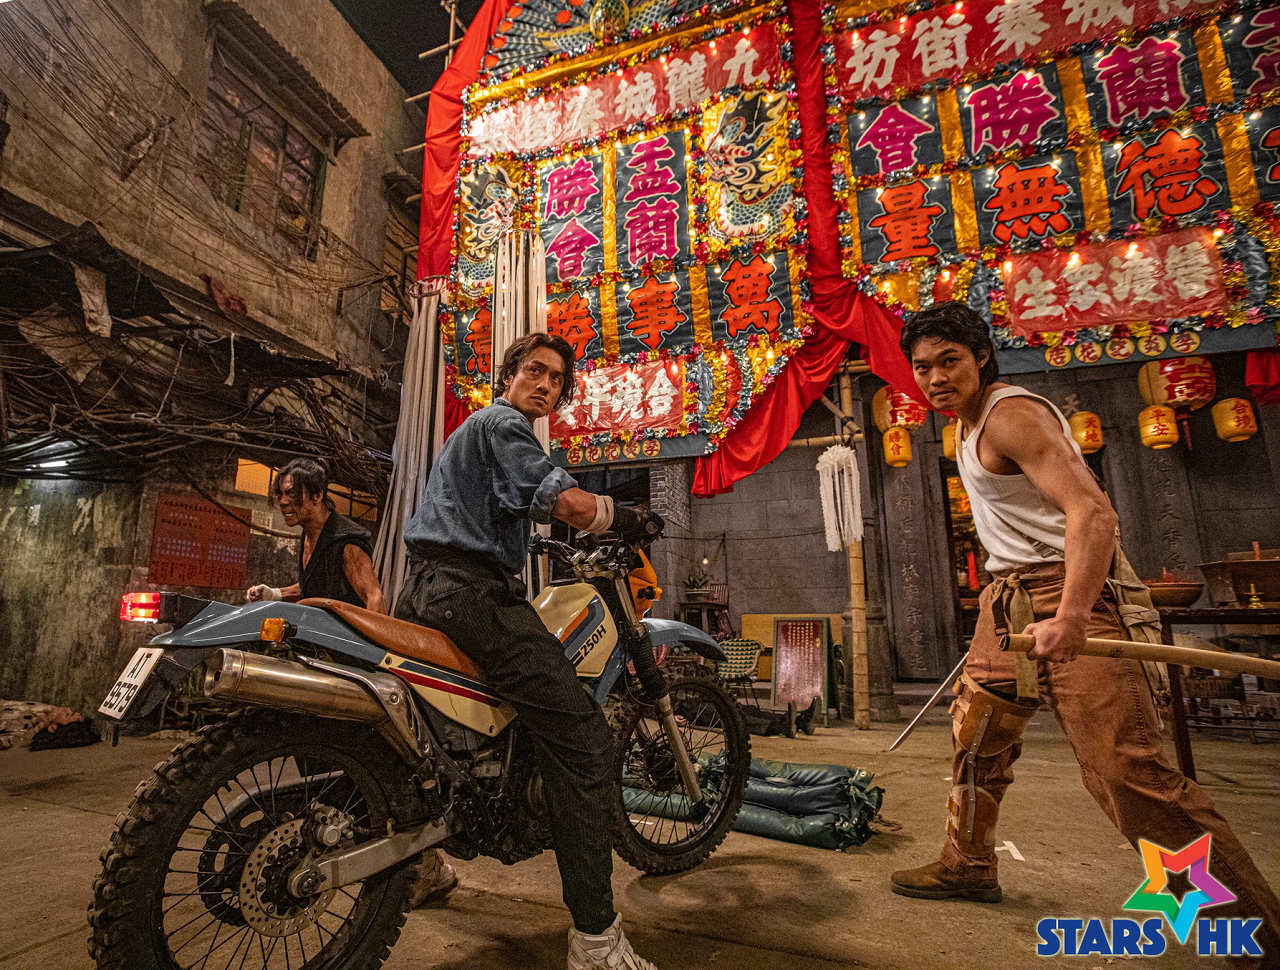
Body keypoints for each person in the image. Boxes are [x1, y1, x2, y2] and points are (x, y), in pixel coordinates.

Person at [889, 303, 1280, 959]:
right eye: (923, 367)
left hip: (1064, 590)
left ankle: (1258, 940)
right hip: (1007, 599)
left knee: (1125, 773)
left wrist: (1071, 614)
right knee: (979, 736)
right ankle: (968, 864)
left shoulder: (1011, 415)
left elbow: (1092, 514)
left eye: (948, 361)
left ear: (981, 357)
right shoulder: (964, 422)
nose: (934, 378)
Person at [396, 332, 661, 970]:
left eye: (556, 380)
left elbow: (500, 510)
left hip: (424, 593)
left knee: (424, 741)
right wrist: (624, 517)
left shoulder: (474, 434)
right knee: (586, 741)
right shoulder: (504, 424)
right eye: (535, 371)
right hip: (471, 597)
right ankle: (595, 940)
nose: (545, 385)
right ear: (509, 375)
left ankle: (418, 865)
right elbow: (566, 503)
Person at [246, 457, 458, 907]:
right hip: (322, 660)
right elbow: (314, 588)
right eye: (280, 494)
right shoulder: (308, 537)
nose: (284, 502)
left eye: (292, 494)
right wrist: (276, 594)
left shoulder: (345, 540)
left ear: (319, 495)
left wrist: (373, 660)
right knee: (324, 763)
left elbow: (372, 597)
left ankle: (426, 863)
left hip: (350, 665)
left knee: (368, 767)